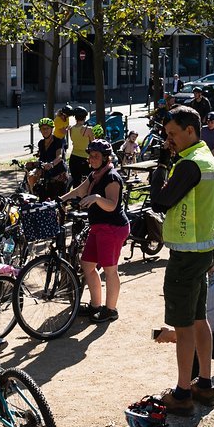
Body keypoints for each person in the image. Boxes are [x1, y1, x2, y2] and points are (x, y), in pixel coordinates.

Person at [148, 105, 214, 414]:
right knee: (199, 318)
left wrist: (161, 167)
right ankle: (204, 384)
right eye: (167, 136)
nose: (169, 141)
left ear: (191, 131)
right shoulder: (208, 160)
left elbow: (160, 200)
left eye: (173, 134)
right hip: (203, 251)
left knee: (183, 324)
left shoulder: (189, 164)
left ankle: (182, 393)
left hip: (186, 256)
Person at [60, 139, 129, 323]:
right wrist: (60, 200)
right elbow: (79, 191)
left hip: (113, 228)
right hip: (98, 227)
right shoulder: (95, 175)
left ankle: (111, 310)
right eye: (90, 156)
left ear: (106, 158)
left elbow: (112, 205)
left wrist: (97, 198)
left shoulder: (112, 177)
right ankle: (96, 305)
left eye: (96, 156)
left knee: (110, 270)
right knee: (88, 265)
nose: (91, 159)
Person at [67, 107, 92, 187]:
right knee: (90, 180)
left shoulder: (71, 129)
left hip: (73, 157)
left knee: (76, 182)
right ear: (85, 117)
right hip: (85, 158)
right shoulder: (88, 129)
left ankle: (76, 198)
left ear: (75, 117)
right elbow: (93, 143)